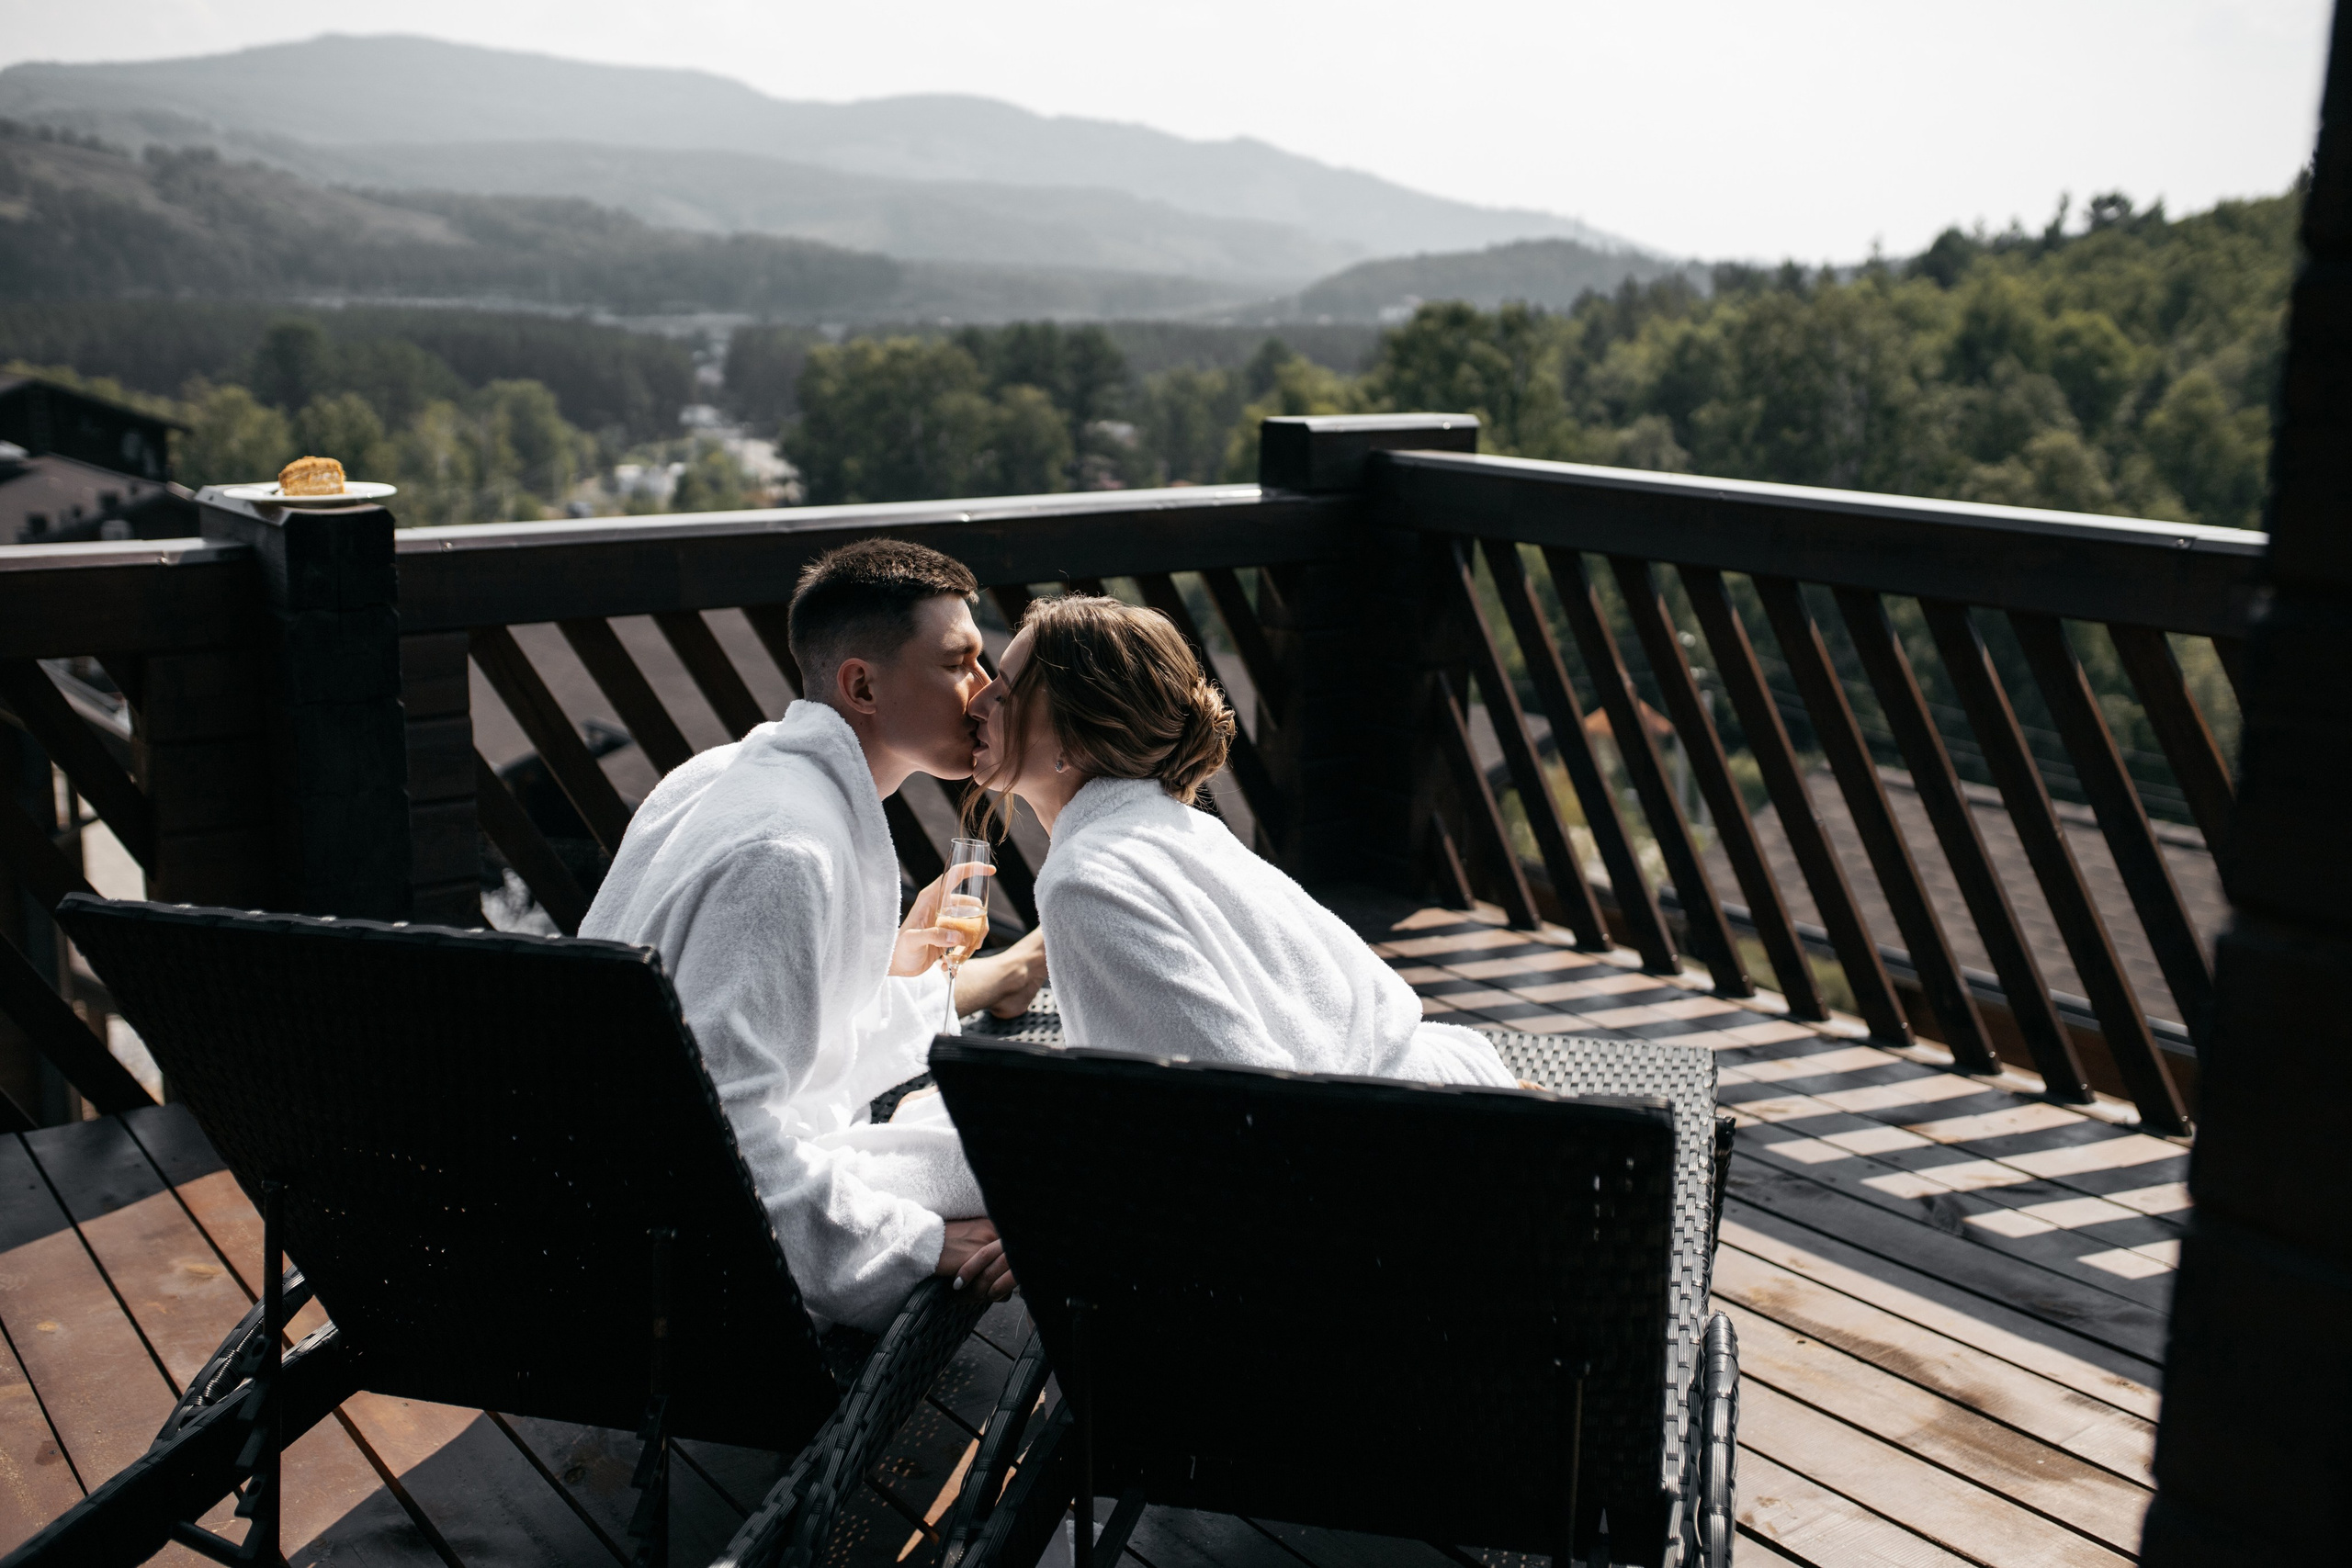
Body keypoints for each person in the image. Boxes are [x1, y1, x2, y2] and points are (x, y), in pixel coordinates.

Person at [582, 540, 1045, 1332]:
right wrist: (910, 1242)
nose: (985, 692)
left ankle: (986, 985)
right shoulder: (785, 854)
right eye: (960, 662)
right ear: (862, 684)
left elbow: (757, 1042)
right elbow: (727, 1145)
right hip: (679, 1263)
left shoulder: (719, 775)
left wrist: (893, 965)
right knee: (1039, 1159)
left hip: (614, 1191)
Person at [965, 592, 1514, 1088]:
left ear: (1076, 740)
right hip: (1436, 1091)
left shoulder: (1087, 883)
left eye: (1006, 695)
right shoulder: (1183, 829)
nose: (977, 705)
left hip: (1371, 1146)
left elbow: (1229, 1102)